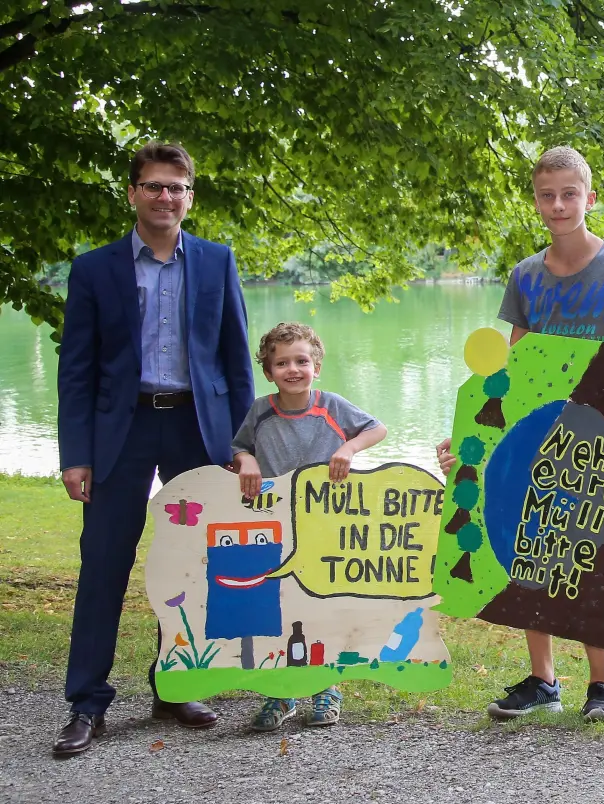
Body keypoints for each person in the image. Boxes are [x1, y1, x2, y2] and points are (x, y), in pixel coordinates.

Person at [438, 146, 604, 723]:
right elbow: (510, 375)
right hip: (537, 434)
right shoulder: (525, 276)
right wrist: (468, 443)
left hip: (600, 437)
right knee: (531, 546)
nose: (558, 205)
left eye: (569, 193)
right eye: (547, 195)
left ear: (590, 198)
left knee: (590, 550)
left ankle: (602, 685)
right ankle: (543, 678)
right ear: (536, 201)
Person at [53, 142, 256, 756]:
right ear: (134, 192)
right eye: (154, 186)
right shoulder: (95, 270)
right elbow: (77, 372)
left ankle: (173, 685)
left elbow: (235, 359)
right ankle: (87, 702)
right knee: (104, 564)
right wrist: (74, 454)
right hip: (123, 430)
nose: (166, 197)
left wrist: (241, 445)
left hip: (197, 429)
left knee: (192, 567)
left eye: (177, 187)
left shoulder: (218, 263)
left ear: (190, 197)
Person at [232, 322, 388, 730]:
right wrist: (245, 461)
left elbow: (377, 428)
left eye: (301, 360)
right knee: (280, 606)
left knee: (324, 603)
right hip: (276, 523)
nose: (292, 369)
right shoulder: (260, 411)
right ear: (268, 372)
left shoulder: (331, 406)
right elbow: (240, 446)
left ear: (316, 364)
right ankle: (281, 693)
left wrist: (348, 449)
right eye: (281, 363)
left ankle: (327, 687)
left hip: (326, 523)